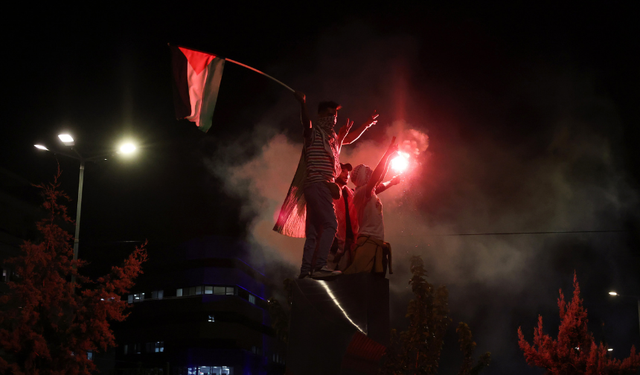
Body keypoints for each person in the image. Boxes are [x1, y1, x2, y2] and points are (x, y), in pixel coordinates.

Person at [273, 91, 378, 280]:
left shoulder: (332, 141)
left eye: (335, 116)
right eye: (329, 115)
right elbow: (306, 122)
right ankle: (320, 265)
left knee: (313, 232)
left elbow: (348, 138)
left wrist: (367, 125)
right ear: (321, 115)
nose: (333, 119)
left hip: (319, 189)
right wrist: (303, 104)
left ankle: (306, 271)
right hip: (317, 185)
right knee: (331, 224)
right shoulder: (313, 134)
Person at [343, 138, 398, 276]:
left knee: (373, 282)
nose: (370, 173)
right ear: (362, 177)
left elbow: (378, 183)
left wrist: (391, 182)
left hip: (374, 243)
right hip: (367, 243)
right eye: (367, 172)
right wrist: (388, 154)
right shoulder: (361, 192)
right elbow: (377, 177)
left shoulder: (368, 192)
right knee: (358, 278)